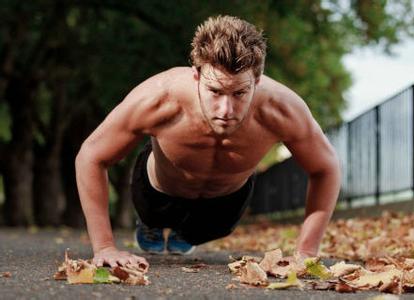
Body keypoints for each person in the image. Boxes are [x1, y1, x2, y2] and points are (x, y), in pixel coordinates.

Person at [75, 15, 341, 269]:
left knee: (201, 233)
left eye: (239, 93)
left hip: (226, 200)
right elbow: (91, 155)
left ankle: (187, 231)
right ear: (197, 76)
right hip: (159, 190)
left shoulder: (282, 110)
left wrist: (306, 253)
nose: (226, 109)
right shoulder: (158, 98)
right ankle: (150, 223)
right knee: (154, 214)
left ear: (257, 81)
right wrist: (105, 247)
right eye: (215, 91)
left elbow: (325, 168)